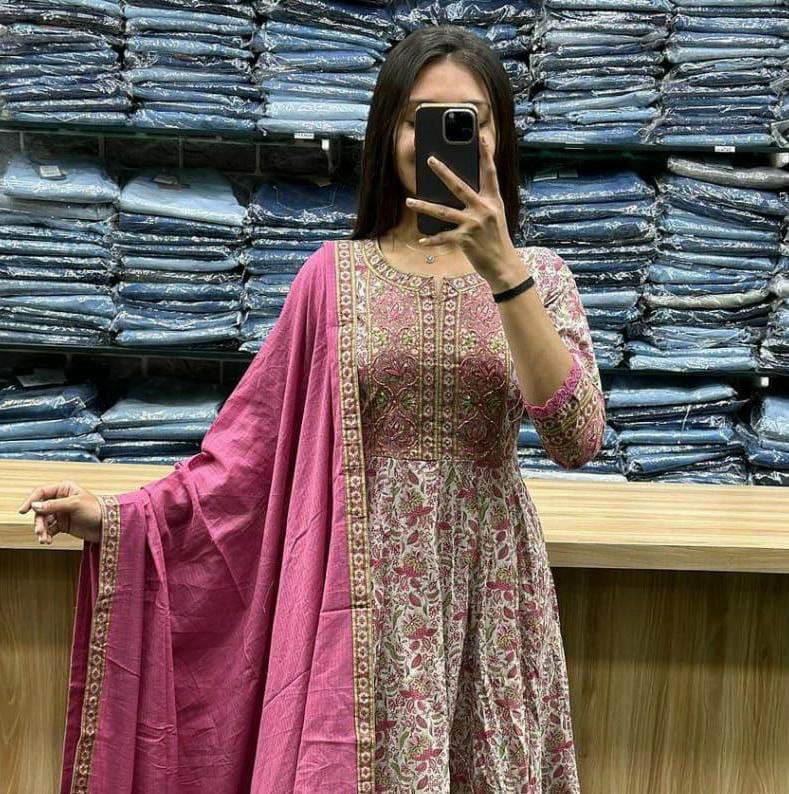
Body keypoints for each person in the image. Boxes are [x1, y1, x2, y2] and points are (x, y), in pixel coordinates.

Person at [19, 25, 605, 794]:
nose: (443, 138)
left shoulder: (540, 277)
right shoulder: (333, 277)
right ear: (387, 133)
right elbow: (248, 453)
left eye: (470, 120)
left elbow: (575, 436)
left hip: (488, 596)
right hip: (353, 592)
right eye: (419, 119)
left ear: (498, 137)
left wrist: (502, 272)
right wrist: (123, 518)